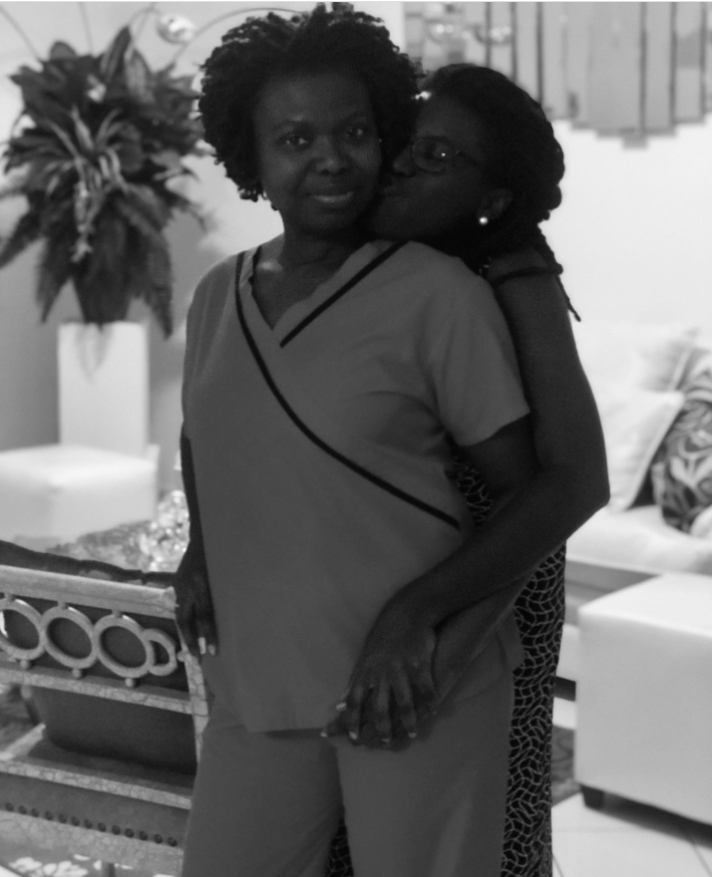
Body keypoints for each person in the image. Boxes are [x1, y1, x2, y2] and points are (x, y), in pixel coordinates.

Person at [176, 7, 606, 877]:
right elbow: (210, 433)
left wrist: (428, 629)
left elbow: (558, 487)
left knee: (487, 837)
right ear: (251, 157)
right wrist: (199, 545)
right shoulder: (225, 294)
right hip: (281, 658)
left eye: (360, 132)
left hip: (455, 625)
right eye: (294, 137)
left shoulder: (491, 282)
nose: (345, 158)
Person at [321, 63, 609, 877]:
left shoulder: (513, 272)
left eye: (440, 155)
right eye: (410, 138)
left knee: (483, 820)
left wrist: (432, 616)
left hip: (494, 575)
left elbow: (577, 479)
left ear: (490, 199)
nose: (406, 160)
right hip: (396, 577)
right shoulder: (367, 252)